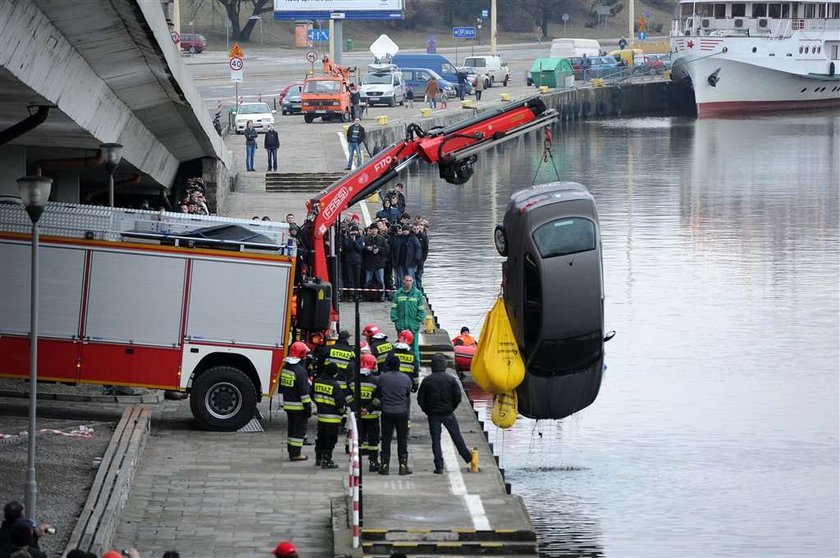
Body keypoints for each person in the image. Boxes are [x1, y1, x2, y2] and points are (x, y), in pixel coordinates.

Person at [417, 353, 474, 474]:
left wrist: (427, 410)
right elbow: (458, 397)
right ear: (444, 365)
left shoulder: (427, 380)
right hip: (448, 412)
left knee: (436, 440)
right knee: (456, 435)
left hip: (433, 414)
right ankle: (467, 457)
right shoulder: (451, 379)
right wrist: (451, 408)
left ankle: (439, 466)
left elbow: (420, 399)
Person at [375, 353, 413, 476]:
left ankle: (384, 466)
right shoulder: (406, 378)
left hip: (386, 412)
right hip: (402, 412)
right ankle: (403, 466)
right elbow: (407, 394)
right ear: (399, 365)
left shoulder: (382, 378)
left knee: (386, 439)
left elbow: (378, 394)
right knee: (402, 439)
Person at [346, 353, 382, 471]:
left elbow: (348, 397)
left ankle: (358, 463)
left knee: (358, 439)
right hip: (372, 416)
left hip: (358, 416)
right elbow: (378, 399)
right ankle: (373, 462)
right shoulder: (376, 381)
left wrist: (356, 408)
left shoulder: (352, 380)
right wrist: (368, 409)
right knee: (373, 441)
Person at [280, 341, 313, 462]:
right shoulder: (300, 371)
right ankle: (296, 454)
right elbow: (304, 393)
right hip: (299, 407)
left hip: (289, 405)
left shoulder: (286, 368)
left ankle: (291, 450)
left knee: (291, 429)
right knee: (299, 431)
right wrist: (308, 408)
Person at [312, 362, 346, 469]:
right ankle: (327, 459)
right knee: (330, 439)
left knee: (321, 437)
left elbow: (312, 394)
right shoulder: (335, 385)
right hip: (333, 419)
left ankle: (319, 457)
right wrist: (342, 411)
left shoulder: (317, 381)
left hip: (321, 416)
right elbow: (340, 402)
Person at [390, 275, 425, 363]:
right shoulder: (398, 293)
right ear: (403, 281)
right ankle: (400, 364)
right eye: (407, 280)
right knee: (400, 347)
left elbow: (421, 310)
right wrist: (396, 321)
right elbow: (394, 309)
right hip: (401, 326)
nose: (408, 282)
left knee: (414, 348)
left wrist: (417, 321)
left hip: (413, 325)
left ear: (412, 282)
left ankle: (416, 365)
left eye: (410, 280)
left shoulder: (417, 294)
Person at [362, 224, 389, 302]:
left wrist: (379, 249)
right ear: (370, 230)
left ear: (377, 230)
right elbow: (362, 248)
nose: (374, 231)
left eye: (375, 229)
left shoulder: (382, 239)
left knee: (381, 280)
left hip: (379, 263)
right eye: (372, 229)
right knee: (367, 280)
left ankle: (382, 296)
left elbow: (387, 250)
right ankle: (367, 296)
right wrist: (367, 248)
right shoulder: (366, 239)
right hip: (369, 263)